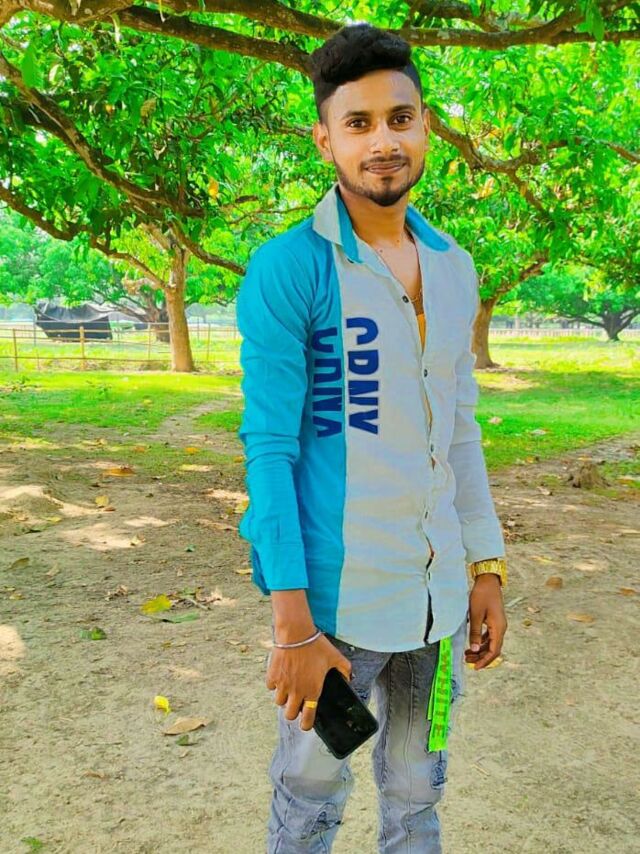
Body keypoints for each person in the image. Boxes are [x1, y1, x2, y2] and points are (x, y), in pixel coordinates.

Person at [236, 22, 509, 854]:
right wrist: (292, 625)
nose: (382, 141)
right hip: (336, 616)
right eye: (358, 123)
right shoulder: (293, 268)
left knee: (419, 792)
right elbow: (270, 451)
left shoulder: (453, 266)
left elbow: (458, 430)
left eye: (400, 118)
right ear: (326, 139)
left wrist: (485, 566)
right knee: (311, 796)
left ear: (426, 126)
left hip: (436, 605)